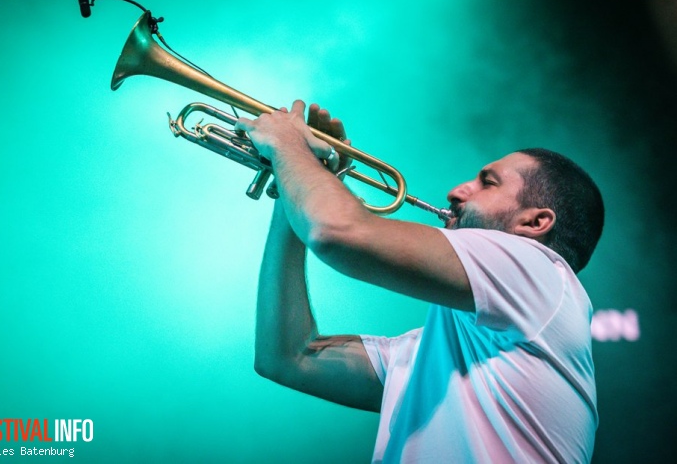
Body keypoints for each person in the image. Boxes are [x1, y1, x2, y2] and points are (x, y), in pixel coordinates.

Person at [235, 100, 604, 463]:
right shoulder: (441, 352)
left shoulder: (539, 270)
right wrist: (294, 181)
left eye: (487, 183)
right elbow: (286, 357)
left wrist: (288, 144)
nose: (457, 191)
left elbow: (337, 232)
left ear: (534, 222)